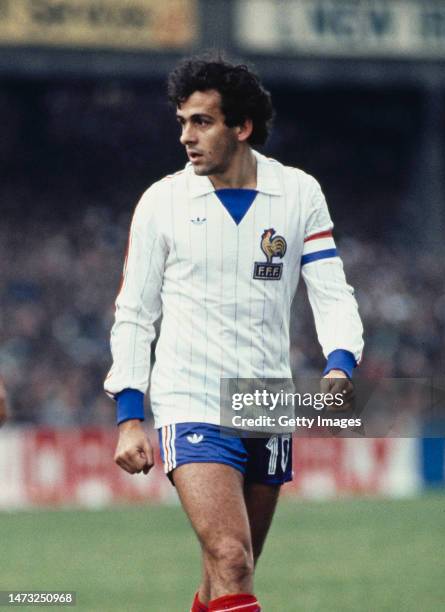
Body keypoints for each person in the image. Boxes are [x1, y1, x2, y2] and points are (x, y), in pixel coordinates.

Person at [105, 56, 363, 612]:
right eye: (182, 123)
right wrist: (130, 416)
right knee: (231, 556)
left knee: (225, 577)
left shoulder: (298, 194)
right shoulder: (161, 202)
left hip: (265, 400)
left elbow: (331, 289)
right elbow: (134, 312)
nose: (186, 137)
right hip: (190, 396)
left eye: (201, 122)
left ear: (241, 127)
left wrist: (341, 362)